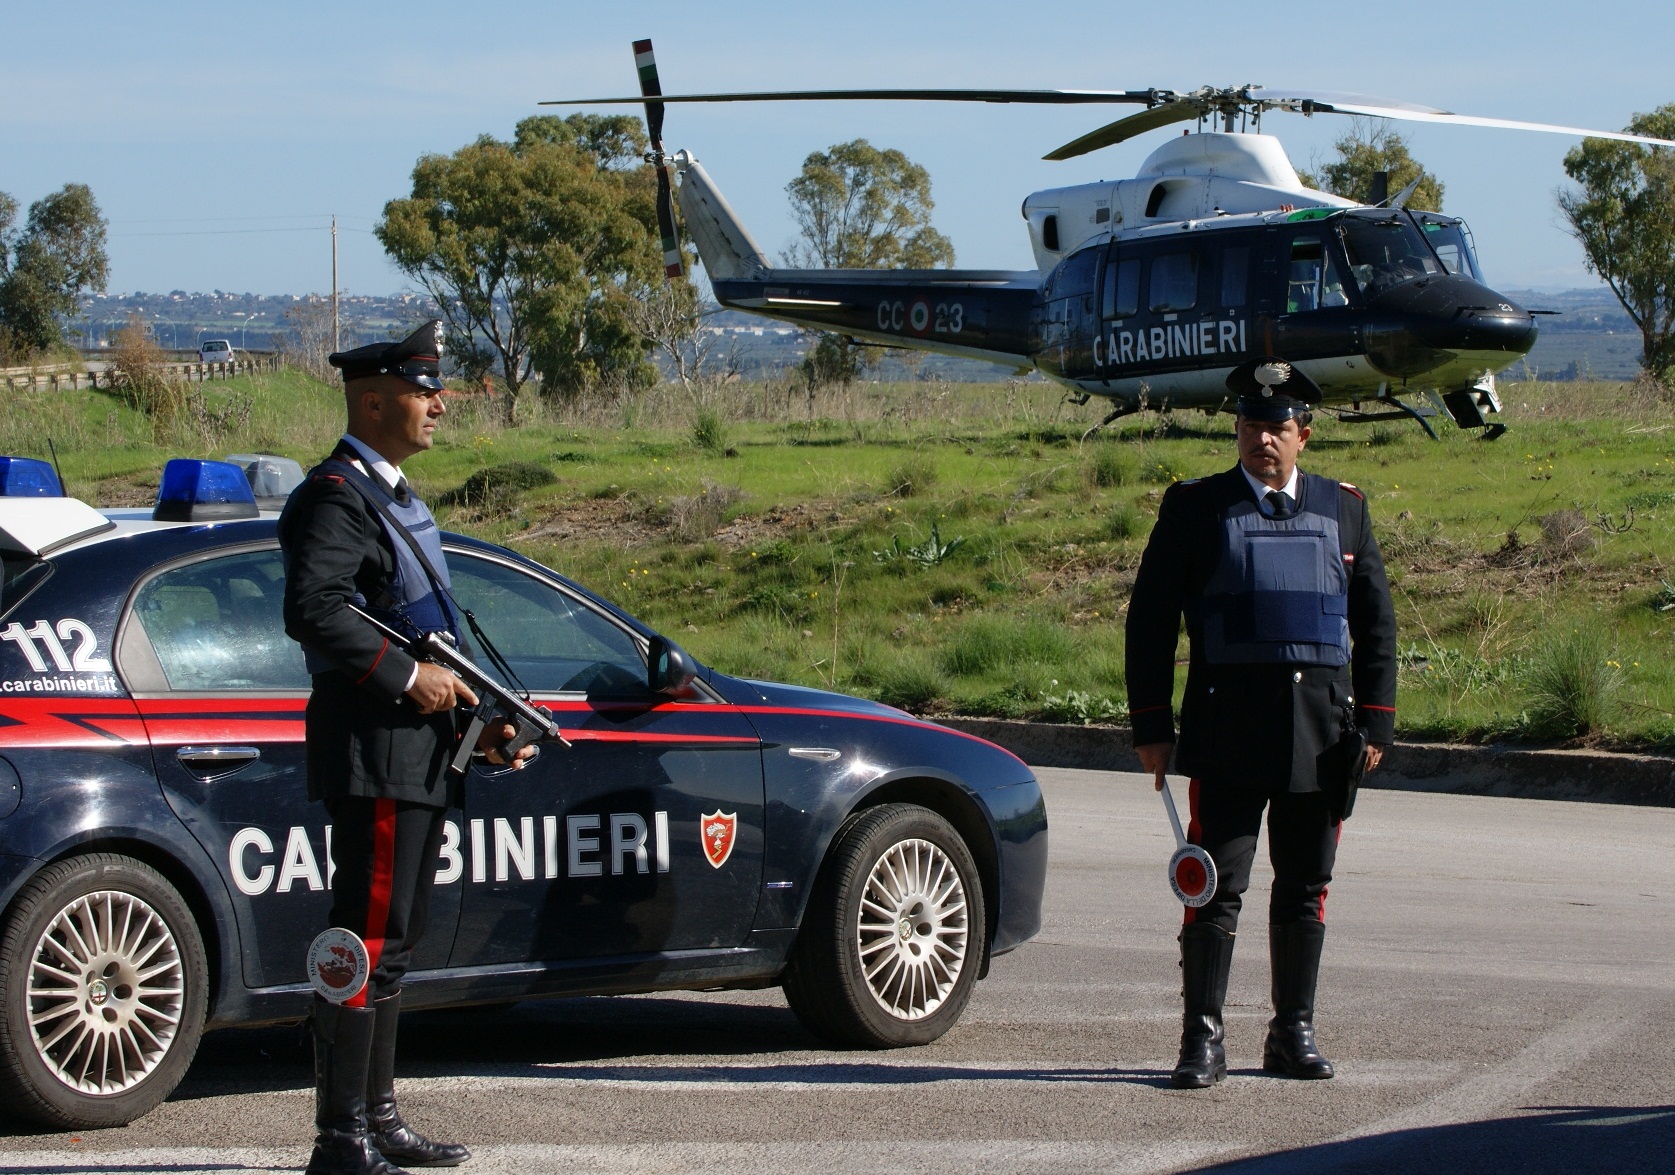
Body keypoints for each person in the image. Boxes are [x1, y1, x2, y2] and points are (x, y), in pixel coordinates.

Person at [281, 320, 529, 1175]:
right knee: (367, 938)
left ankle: (378, 1117)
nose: (439, 403)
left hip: (417, 749)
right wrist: (401, 677)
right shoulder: (337, 494)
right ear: (375, 398)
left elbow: (432, 639)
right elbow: (315, 607)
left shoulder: (394, 497)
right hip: (375, 748)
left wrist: (480, 723)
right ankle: (340, 1137)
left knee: (399, 939)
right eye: (424, 391)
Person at [1124, 367, 1397, 1090]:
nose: (1261, 440)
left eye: (1276, 428)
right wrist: (1151, 726)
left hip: (1320, 735)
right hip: (1227, 733)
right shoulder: (1195, 508)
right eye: (1250, 426)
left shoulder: (1344, 509)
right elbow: (1149, 621)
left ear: (1303, 433)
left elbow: (1374, 624)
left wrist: (1375, 720)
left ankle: (1291, 1031)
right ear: (1236, 431)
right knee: (1213, 886)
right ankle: (1201, 1039)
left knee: (1305, 884)